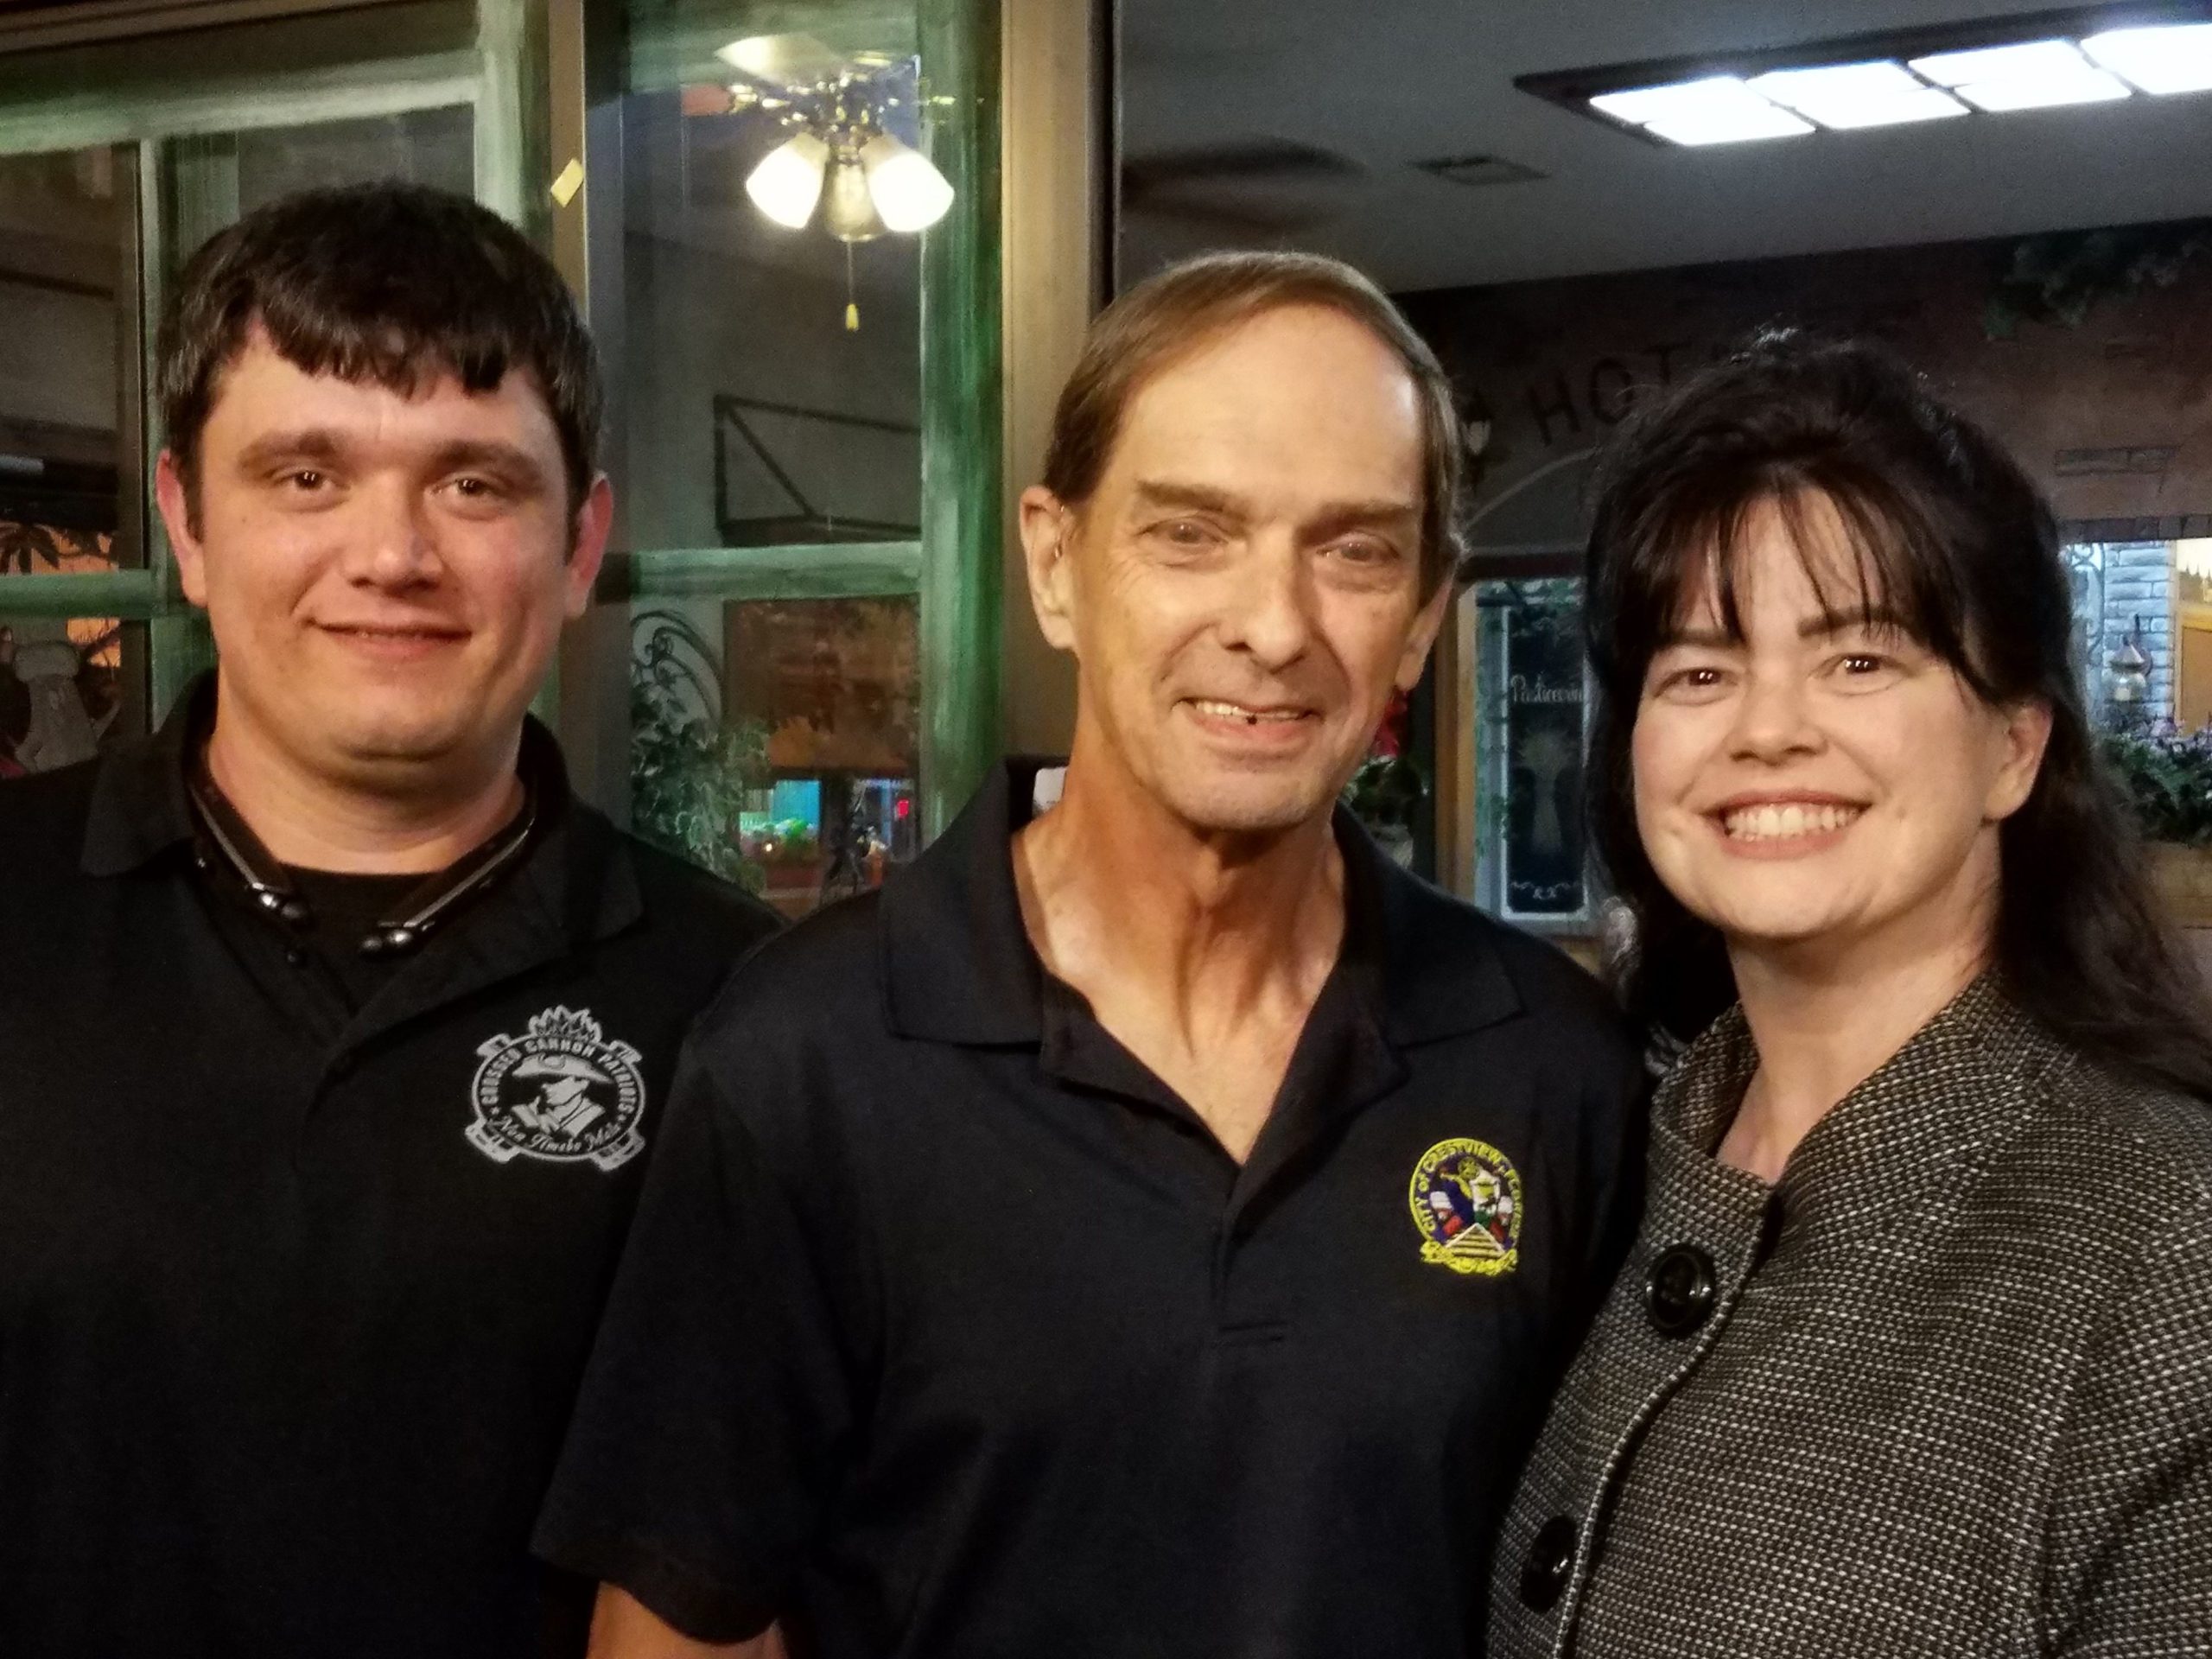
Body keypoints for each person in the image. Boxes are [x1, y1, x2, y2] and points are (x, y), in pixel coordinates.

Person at [532, 251, 1649, 1657]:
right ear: (1057, 565)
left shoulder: (1547, 1064)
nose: (1273, 626)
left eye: (1355, 551)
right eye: (1191, 534)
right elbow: (685, 1631)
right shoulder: (808, 1061)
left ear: (1424, 614)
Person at [0, 183, 779, 1658]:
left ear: (581, 543)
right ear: (185, 522)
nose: (392, 555)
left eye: (473, 484)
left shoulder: (747, 1011)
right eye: (306, 475)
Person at [1491, 334, 2212, 1656]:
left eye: (1860, 660)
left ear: (2015, 745)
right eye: (1698, 671)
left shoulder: (2168, 1251)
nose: (1767, 728)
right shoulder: (1614, 1152)